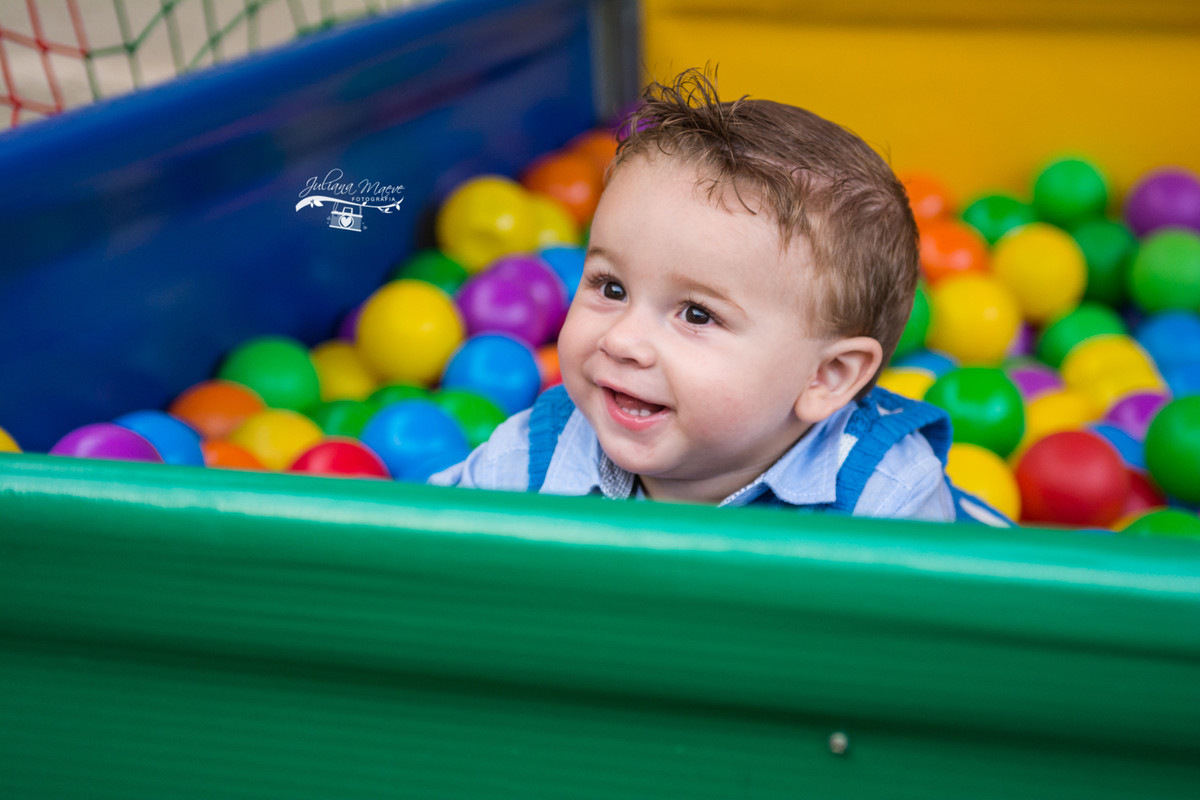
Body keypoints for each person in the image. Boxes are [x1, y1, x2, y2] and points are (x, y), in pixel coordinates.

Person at [431, 68, 1008, 525]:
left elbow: (912, 665)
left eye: (697, 314)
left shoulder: (886, 497)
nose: (623, 339)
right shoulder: (534, 457)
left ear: (827, 377)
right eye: (611, 287)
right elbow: (421, 560)